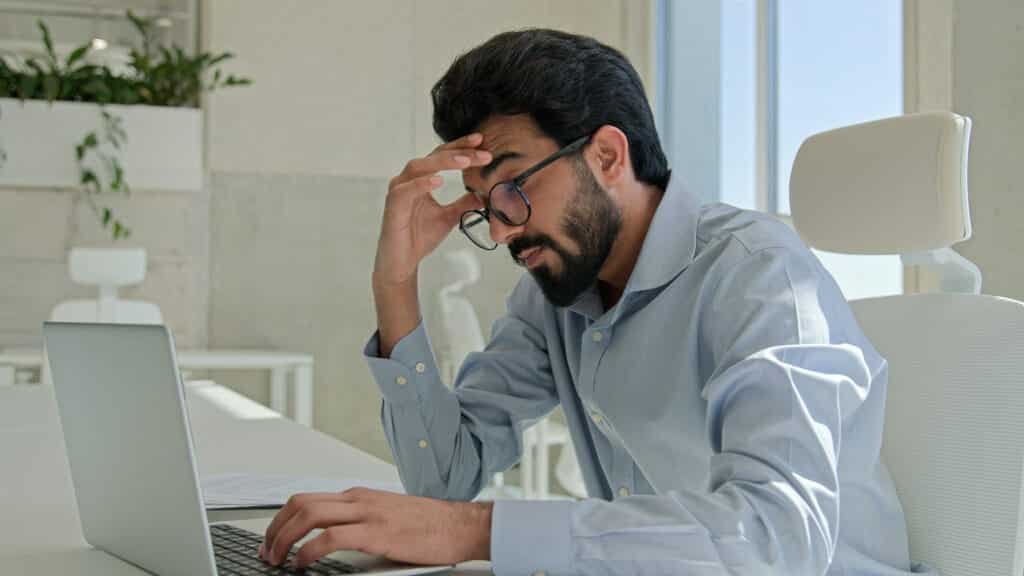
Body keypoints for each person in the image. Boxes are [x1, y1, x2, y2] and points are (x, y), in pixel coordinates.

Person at [259, 29, 929, 575]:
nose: (499, 229)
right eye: (485, 206)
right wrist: (395, 285)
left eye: (512, 188)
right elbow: (444, 480)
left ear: (608, 155)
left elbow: (774, 538)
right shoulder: (557, 296)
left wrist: (481, 533)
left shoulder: (761, 279)